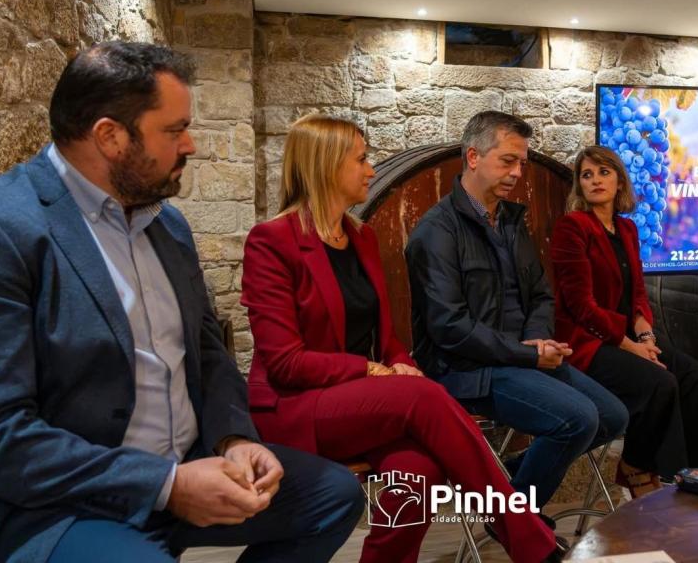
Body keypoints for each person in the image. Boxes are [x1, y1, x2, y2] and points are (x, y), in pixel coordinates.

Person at [0, 42, 364, 563]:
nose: (192, 145)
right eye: (175, 129)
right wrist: (167, 484)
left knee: (334, 496)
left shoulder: (168, 224)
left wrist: (233, 439)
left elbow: (208, 352)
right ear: (111, 137)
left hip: (184, 465)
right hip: (61, 504)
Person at [241, 114, 562, 563]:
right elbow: (284, 363)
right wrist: (373, 370)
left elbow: (386, 334)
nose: (371, 170)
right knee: (420, 397)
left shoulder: (362, 237)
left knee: (419, 470)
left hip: (359, 401)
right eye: (362, 159)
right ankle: (529, 540)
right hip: (296, 405)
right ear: (326, 166)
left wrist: (397, 361)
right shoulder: (272, 241)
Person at [404, 111, 628, 517]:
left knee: (614, 416)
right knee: (578, 418)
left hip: (521, 356)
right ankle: (513, 520)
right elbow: (448, 327)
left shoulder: (510, 220)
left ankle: (500, 496)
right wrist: (526, 354)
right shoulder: (436, 231)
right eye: (508, 161)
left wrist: (537, 339)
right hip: (467, 368)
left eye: (522, 162)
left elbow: (541, 294)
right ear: (473, 157)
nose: (517, 172)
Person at [551, 145, 698, 497]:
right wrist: (630, 346)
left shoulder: (626, 229)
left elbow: (638, 292)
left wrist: (644, 335)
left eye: (604, 172)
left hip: (627, 336)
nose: (596, 180)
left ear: (619, 182)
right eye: (587, 175)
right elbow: (581, 306)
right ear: (579, 186)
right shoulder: (573, 228)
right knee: (659, 382)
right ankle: (638, 467)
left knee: (697, 378)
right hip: (588, 344)